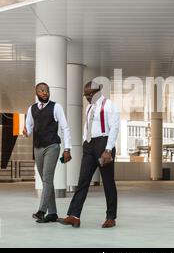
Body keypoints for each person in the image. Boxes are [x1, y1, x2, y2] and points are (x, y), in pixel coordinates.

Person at [60, 81, 120, 228]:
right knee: (83, 181)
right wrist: (84, 143)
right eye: (85, 94)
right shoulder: (89, 107)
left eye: (90, 94)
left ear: (98, 91)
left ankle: (111, 217)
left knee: (108, 182)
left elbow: (115, 127)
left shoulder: (109, 105)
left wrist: (108, 150)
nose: (87, 97)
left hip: (103, 145)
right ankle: (74, 215)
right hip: (89, 145)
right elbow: (88, 126)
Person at [23, 82, 72, 223]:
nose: (45, 93)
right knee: (46, 181)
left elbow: (65, 128)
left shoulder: (56, 107)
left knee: (47, 178)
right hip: (37, 147)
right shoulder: (32, 109)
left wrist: (67, 148)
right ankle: (53, 213)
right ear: (37, 93)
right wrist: (26, 132)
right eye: (42, 91)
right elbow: (29, 128)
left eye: (47, 91)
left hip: (52, 146)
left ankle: (41, 211)